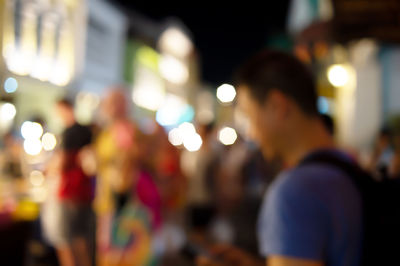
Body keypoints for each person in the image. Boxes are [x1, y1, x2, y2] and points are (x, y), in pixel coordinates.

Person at [198, 50, 362, 266]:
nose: (251, 134)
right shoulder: (348, 167)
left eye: (249, 116)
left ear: (277, 105)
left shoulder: (294, 191)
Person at [55, 98, 95, 266]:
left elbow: (62, 163)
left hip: (70, 191)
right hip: (86, 191)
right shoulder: (86, 130)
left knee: (64, 239)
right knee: (82, 238)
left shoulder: (69, 132)